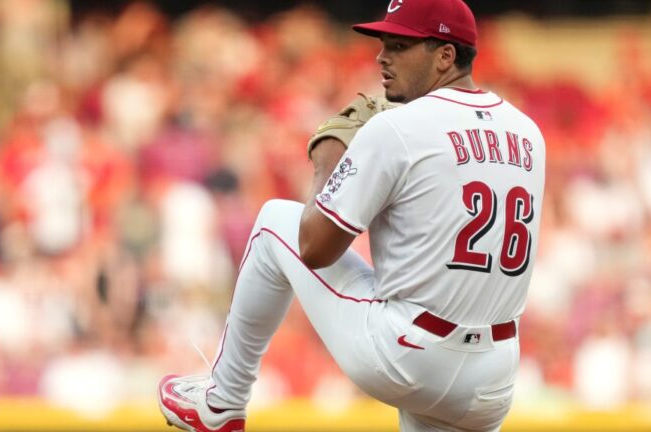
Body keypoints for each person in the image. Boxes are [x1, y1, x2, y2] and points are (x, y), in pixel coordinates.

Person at [158, 0, 546, 430]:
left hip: (409, 355)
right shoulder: (528, 133)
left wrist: (328, 161)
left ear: (445, 55)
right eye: (384, 44)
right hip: (494, 373)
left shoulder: (398, 128)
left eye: (400, 45)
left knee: (273, 222)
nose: (382, 57)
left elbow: (314, 248)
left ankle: (223, 401)